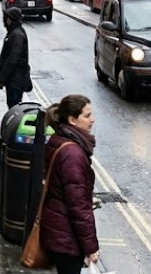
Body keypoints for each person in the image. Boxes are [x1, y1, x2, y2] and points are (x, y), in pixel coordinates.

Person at [40, 95, 99, 274]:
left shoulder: (60, 140)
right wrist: (91, 248)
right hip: (66, 238)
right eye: (87, 116)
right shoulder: (73, 154)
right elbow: (78, 207)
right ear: (73, 120)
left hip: (57, 230)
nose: (92, 120)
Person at [0, 7, 32, 108]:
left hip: (15, 79)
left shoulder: (17, 35)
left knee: (14, 107)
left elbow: (12, 59)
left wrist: (2, 78)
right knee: (12, 105)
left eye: (5, 18)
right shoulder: (14, 32)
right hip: (13, 79)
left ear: (9, 19)